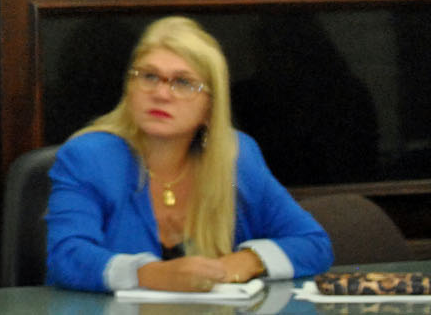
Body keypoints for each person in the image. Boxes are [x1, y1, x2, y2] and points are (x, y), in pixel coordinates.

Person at [45, 15, 332, 292]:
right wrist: (152, 275)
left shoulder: (236, 157)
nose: (161, 93)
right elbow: (67, 256)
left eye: (183, 83)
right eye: (148, 76)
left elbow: (313, 242)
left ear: (210, 106)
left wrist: (246, 262)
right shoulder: (89, 157)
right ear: (129, 89)